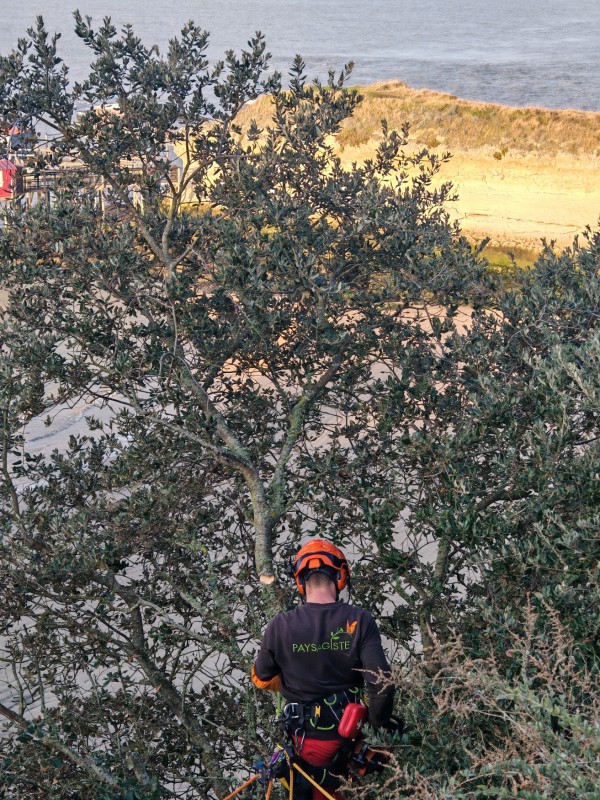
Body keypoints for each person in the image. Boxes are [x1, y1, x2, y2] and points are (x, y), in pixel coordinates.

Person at [251, 539, 395, 799]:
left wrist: (293, 673)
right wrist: (376, 731)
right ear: (340, 577)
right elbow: (382, 685)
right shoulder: (359, 620)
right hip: (348, 742)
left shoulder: (280, 625)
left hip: (303, 745)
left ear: (300, 580)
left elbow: (261, 679)